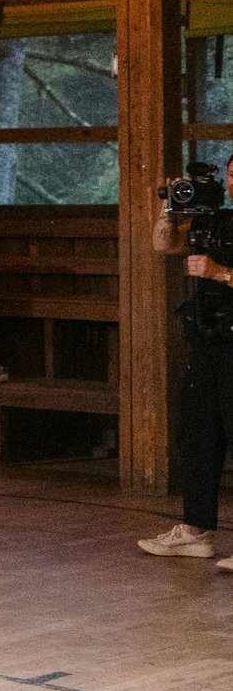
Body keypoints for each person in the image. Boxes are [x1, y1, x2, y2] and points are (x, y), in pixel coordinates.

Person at [139, 193, 233, 565]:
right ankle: (197, 530)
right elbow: (164, 245)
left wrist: (219, 273)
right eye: (230, 175)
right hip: (208, 341)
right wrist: (168, 209)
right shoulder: (213, 222)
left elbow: (213, 270)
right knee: (197, 434)